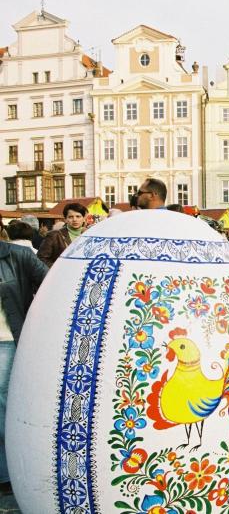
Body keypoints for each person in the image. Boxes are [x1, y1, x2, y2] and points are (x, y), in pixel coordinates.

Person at [0, 239, 48, 494]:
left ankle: (9, 472)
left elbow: (53, 283)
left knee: (3, 404)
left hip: (6, 339)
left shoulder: (17, 255)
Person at [38, 202, 87, 267]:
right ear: (65, 219)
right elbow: (41, 258)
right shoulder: (54, 235)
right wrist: (58, 268)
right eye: (70, 217)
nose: (74, 219)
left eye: (78, 216)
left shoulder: (89, 234)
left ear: (83, 219)